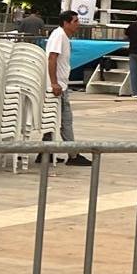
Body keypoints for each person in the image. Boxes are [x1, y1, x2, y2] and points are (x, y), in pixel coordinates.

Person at [45, 11, 91, 166]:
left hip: (60, 83)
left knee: (51, 119)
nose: (78, 24)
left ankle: (45, 152)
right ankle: (72, 154)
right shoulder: (59, 36)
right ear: (66, 23)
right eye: (75, 21)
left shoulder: (61, 36)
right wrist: (54, 82)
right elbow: (52, 58)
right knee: (66, 120)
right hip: (59, 85)